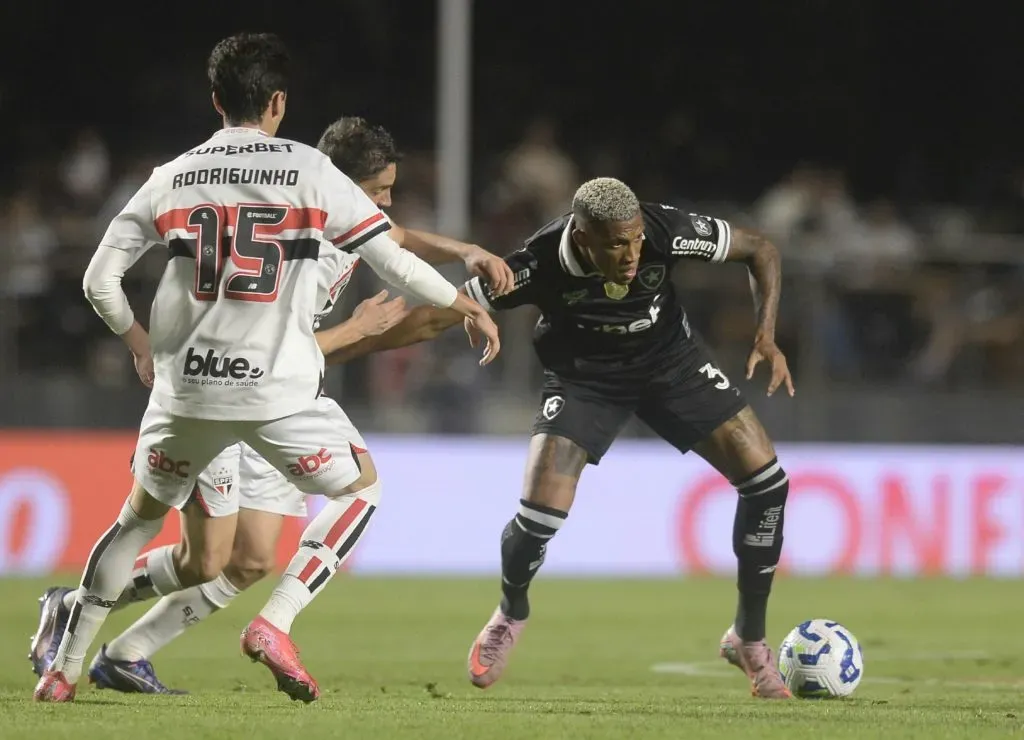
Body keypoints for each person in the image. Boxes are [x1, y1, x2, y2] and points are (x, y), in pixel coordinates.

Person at [33, 34, 498, 703]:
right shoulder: (312, 176)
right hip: (273, 390)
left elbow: (99, 282)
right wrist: (461, 302)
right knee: (356, 490)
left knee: (186, 536)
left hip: (187, 387)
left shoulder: (173, 174)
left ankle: (69, 668)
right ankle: (273, 624)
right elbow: (393, 259)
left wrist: (138, 342)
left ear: (216, 99)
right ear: (279, 101)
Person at [331, 177, 797, 699]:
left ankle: (749, 639)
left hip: (672, 366)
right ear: (582, 236)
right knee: (538, 513)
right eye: (617, 244)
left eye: (637, 239)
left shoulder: (665, 229)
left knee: (767, 483)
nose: (632, 254)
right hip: (585, 380)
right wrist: (335, 348)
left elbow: (761, 248)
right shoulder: (537, 263)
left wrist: (766, 334)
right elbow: (432, 319)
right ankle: (511, 611)